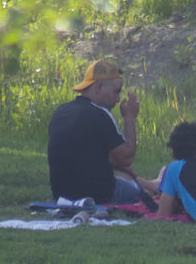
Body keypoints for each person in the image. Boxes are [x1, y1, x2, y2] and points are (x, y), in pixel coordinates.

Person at [46, 59, 156, 204]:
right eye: (116, 92)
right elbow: (126, 158)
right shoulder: (100, 114)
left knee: (122, 173)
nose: (117, 100)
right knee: (138, 191)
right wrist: (130, 118)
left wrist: (126, 171)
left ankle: (151, 185)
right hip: (99, 195)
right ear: (99, 87)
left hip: (63, 195)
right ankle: (152, 189)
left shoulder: (61, 111)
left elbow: (95, 157)